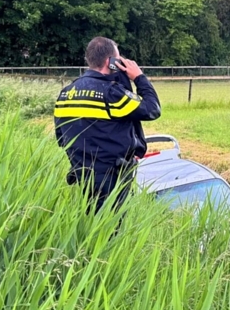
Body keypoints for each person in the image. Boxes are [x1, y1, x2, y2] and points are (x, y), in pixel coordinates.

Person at [54, 37, 161, 213]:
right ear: (109, 62)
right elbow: (152, 109)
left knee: (91, 226)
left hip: (81, 175)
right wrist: (139, 77)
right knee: (113, 233)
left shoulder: (66, 93)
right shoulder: (112, 94)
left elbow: (61, 138)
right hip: (111, 180)